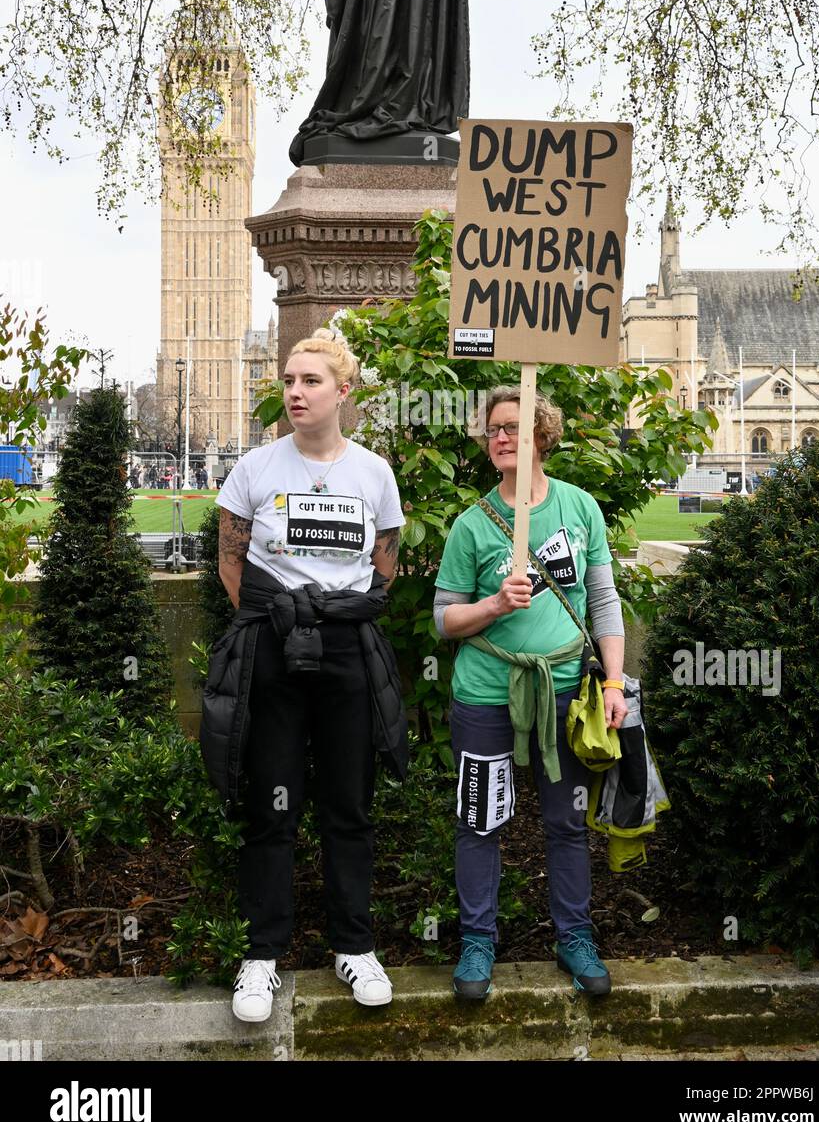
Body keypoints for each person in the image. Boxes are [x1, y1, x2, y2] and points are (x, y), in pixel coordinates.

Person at [214, 328, 406, 1022]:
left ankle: (354, 947)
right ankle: (262, 956)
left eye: (310, 381)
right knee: (272, 806)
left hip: (349, 653)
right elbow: (229, 564)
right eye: (289, 380)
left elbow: (384, 563)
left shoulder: (373, 474)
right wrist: (275, 624)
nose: (295, 392)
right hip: (273, 653)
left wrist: (333, 616)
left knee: (349, 805)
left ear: (343, 392)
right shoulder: (256, 469)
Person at [433, 386, 628, 1001]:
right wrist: (493, 604)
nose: (502, 437)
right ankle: (477, 942)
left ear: (542, 435)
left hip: (566, 695)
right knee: (479, 820)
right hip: (487, 695)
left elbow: (602, 601)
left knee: (568, 821)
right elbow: (444, 620)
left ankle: (573, 935)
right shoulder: (472, 525)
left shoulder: (580, 510)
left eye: (514, 426)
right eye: (494, 429)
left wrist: (615, 682)